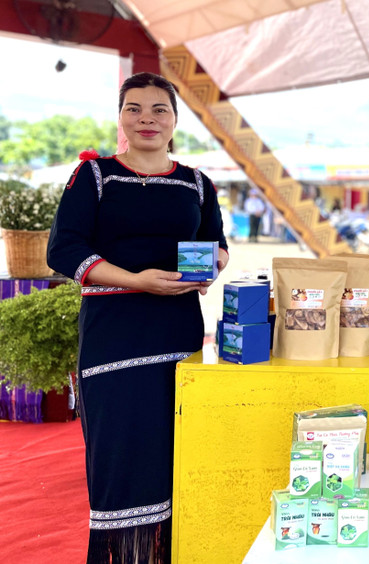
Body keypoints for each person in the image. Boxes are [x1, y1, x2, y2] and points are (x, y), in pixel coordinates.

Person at [47, 72, 229, 563]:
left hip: (179, 336)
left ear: (174, 120)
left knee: (176, 453)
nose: (146, 118)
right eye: (134, 108)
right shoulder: (95, 175)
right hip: (114, 338)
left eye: (159, 109)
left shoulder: (197, 182)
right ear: (120, 116)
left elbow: (217, 245)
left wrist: (209, 268)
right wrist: (136, 279)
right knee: (120, 456)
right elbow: (63, 250)